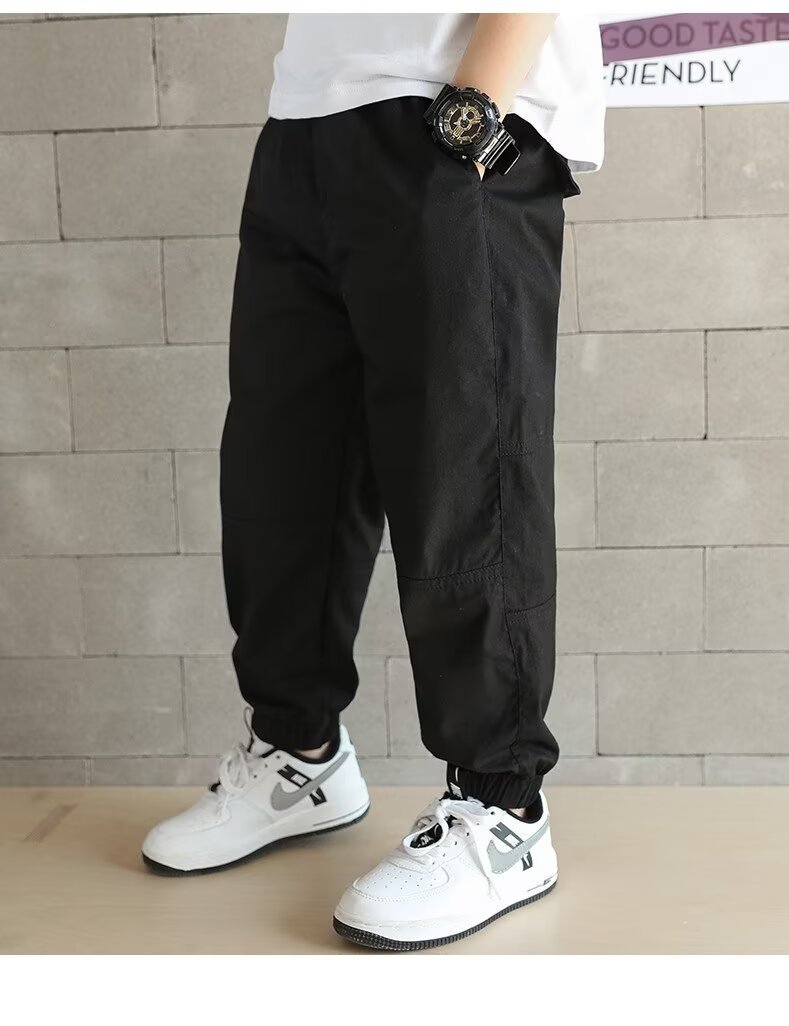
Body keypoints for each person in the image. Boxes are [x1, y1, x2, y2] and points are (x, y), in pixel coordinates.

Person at [142, 12, 605, 951]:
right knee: (281, 473)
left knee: (465, 474)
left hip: (453, 111)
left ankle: (503, 810)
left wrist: (474, 105)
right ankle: (299, 756)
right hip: (304, 122)